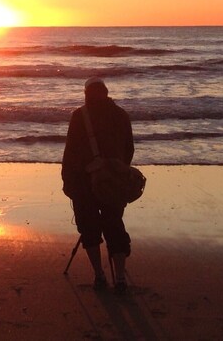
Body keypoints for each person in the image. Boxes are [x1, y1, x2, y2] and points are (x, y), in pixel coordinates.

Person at [61, 77, 135, 294]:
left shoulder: (78, 116)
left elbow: (70, 152)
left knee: (89, 228)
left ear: (86, 93)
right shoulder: (121, 115)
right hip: (114, 182)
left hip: (84, 181)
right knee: (114, 225)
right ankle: (120, 278)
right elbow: (129, 149)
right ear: (106, 92)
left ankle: (99, 276)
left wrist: (67, 180)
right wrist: (117, 171)